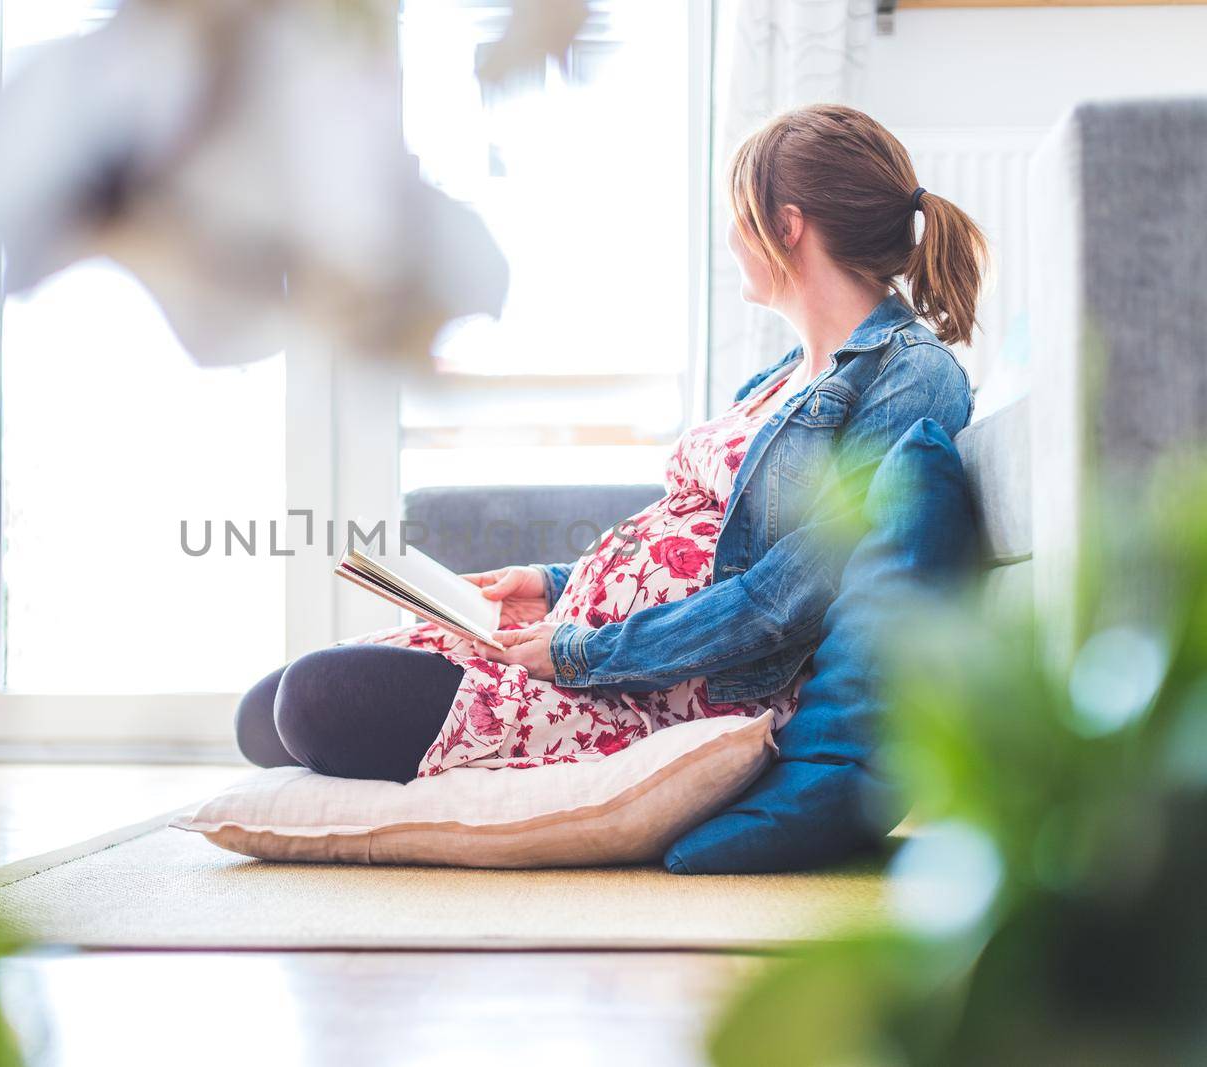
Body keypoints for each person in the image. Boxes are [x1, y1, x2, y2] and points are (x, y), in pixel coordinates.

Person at [235, 103, 984, 785]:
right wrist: (554, 583)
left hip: (650, 686)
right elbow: (700, 531)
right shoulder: (781, 377)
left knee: (308, 702)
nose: (731, 238)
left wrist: (582, 653)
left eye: (738, 216)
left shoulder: (909, 377)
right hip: (588, 642)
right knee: (262, 710)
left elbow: (787, 594)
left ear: (786, 226)